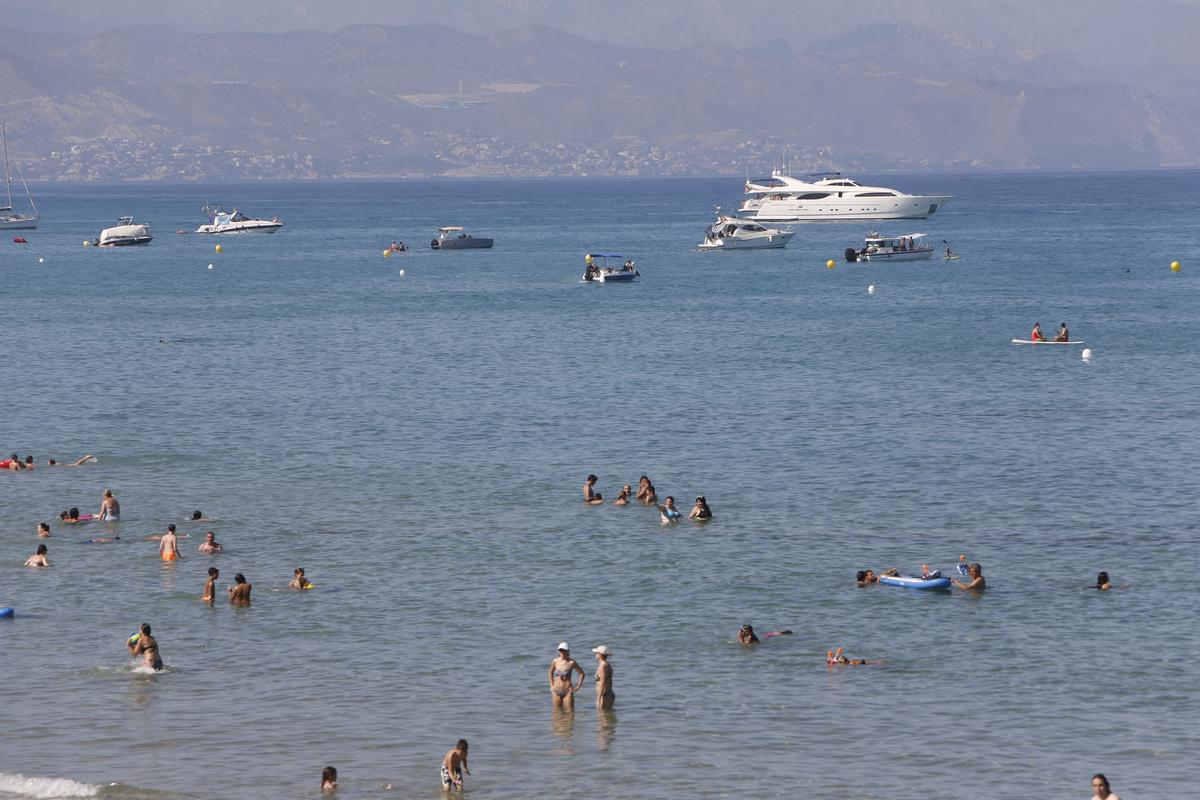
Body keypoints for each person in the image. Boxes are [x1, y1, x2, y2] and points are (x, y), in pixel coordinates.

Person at [548, 642, 585, 710]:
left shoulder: (571, 662)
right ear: (558, 651)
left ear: (567, 651)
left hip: (567, 692)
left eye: (564, 650)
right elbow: (550, 672)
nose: (562, 652)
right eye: (560, 650)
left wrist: (577, 687)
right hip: (556, 691)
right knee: (556, 714)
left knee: (569, 714)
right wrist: (551, 686)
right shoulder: (555, 661)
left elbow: (582, 674)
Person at [592, 645, 615, 709]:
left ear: (600, 655)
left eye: (596, 653)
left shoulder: (602, 666)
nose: (595, 654)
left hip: (604, 696)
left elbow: (602, 683)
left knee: (602, 717)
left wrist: (598, 698)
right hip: (609, 693)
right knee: (606, 717)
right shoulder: (607, 664)